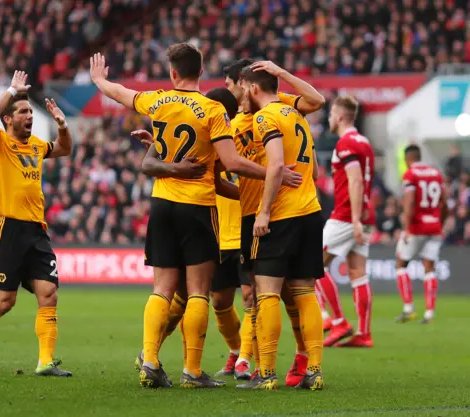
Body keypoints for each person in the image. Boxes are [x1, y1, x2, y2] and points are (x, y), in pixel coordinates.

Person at [90, 44, 274, 389]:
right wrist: (272, 173)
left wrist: (99, 79)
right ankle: (192, 371)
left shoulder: (156, 100)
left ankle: (150, 360)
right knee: (198, 292)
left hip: (161, 204)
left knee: (161, 289)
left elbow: (120, 93)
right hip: (197, 207)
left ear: (172, 72)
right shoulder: (212, 110)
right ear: (201, 72)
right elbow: (232, 164)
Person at [0, 71, 73, 377]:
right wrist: (11, 91)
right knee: (5, 301)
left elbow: (64, 149)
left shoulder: (36, 146)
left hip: (37, 231)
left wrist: (62, 126)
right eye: (23, 112)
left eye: (31, 112)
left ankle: (45, 362)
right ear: (8, 119)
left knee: (49, 293)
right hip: (7, 230)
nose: (30, 116)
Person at [223, 59, 325, 387]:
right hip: (310, 210)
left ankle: (265, 373)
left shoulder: (266, 116)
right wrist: (282, 74)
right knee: (305, 292)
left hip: (281, 214)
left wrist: (264, 212)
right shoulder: (292, 111)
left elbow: (277, 165)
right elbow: (317, 100)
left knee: (266, 295)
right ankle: (315, 371)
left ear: (253, 88)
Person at [318, 96, 376, 348]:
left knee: (312, 265)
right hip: (365, 214)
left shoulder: (345, 143)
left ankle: (339, 321)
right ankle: (364, 334)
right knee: (358, 274)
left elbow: (355, 179)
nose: (329, 118)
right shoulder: (365, 142)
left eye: (331, 114)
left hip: (345, 215)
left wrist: (353, 219)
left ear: (340, 116)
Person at [395, 145, 446, 324]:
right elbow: (444, 201)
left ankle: (409, 309)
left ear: (408, 158)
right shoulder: (436, 173)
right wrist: (442, 223)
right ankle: (429, 313)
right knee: (429, 267)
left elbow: (409, 201)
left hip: (417, 227)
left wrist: (407, 228)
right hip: (435, 227)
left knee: (401, 264)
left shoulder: (410, 174)